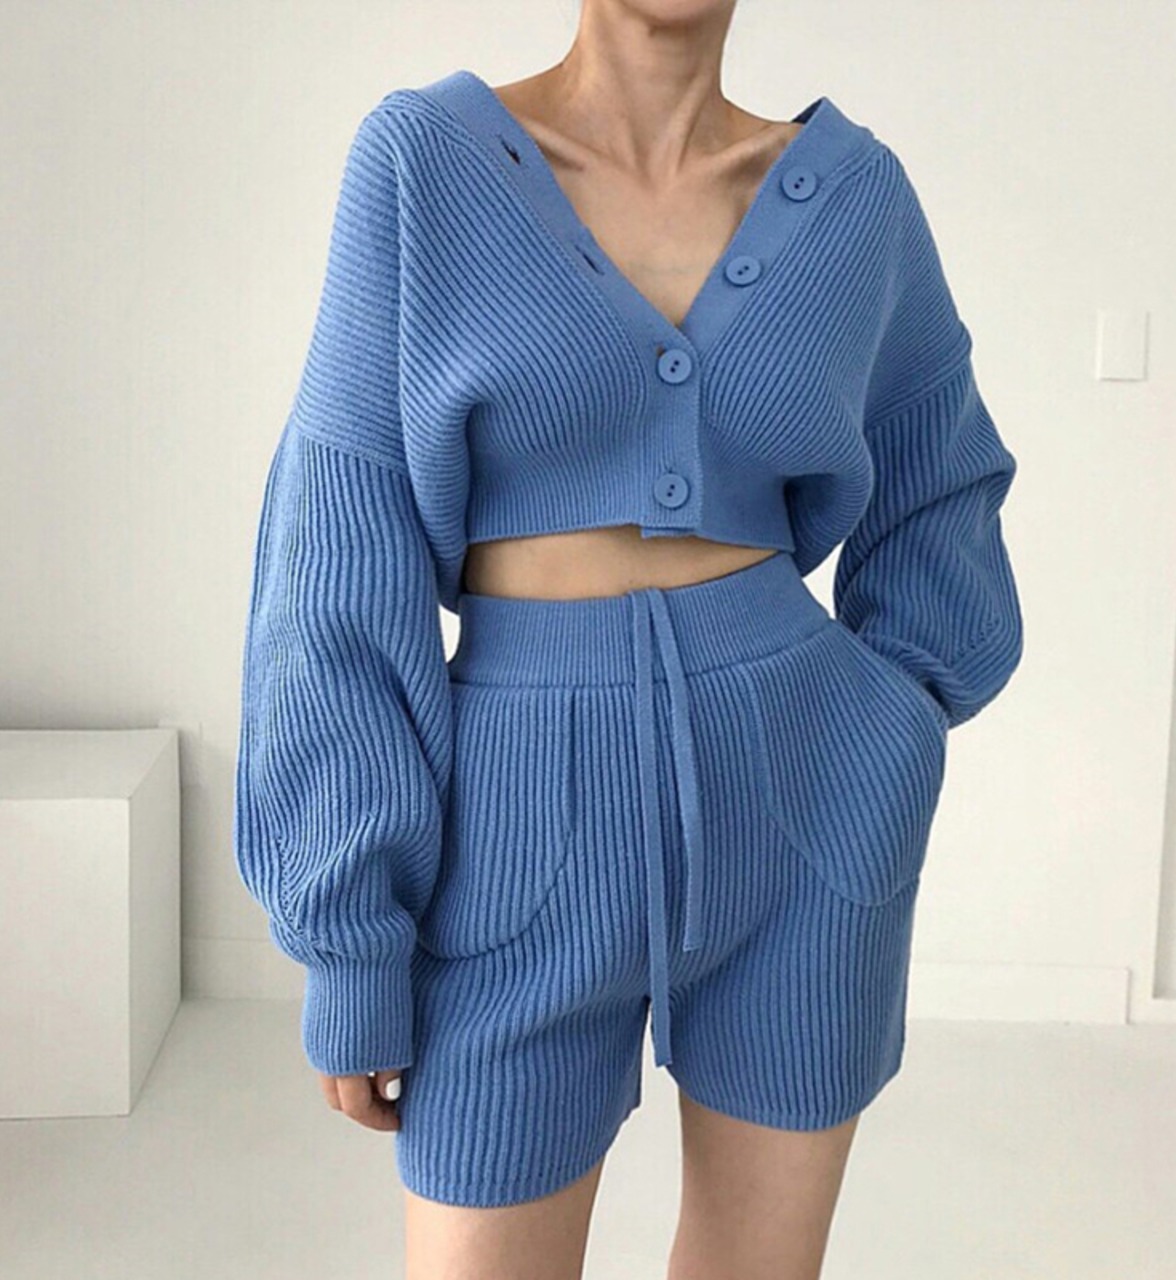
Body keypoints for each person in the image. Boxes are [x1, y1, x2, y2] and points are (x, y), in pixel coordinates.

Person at [233, 4, 1024, 1277]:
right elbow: (338, 546)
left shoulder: (854, 199)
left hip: (805, 805)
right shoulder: (422, 165)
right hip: (511, 824)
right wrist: (351, 933)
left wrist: (892, 725)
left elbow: (940, 473)